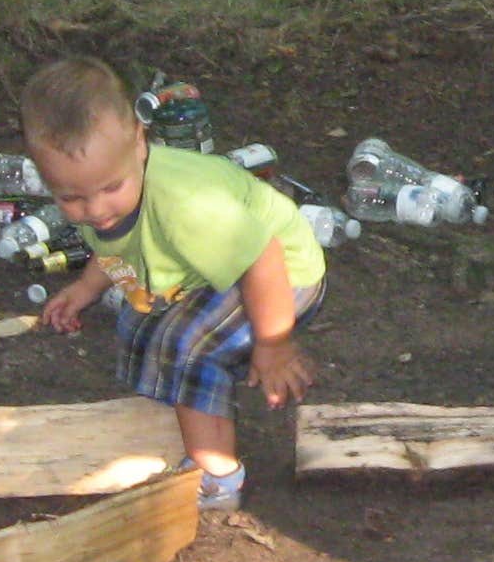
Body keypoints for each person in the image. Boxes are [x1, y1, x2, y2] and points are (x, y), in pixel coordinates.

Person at [25, 57, 326, 512]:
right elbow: (115, 246)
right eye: (71, 198)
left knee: (185, 346)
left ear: (139, 145)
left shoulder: (186, 205)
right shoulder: (105, 191)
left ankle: (217, 476)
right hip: (213, 268)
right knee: (140, 322)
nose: (95, 208)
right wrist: (85, 290)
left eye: (110, 188)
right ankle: (186, 406)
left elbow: (262, 259)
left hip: (284, 273)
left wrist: (274, 343)